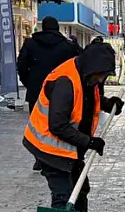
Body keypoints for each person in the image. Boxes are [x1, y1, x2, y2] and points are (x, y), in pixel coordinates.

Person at [23, 43, 124, 212]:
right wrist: (90, 142)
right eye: (100, 76)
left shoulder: (86, 77)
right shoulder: (65, 82)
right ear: (92, 69)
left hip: (71, 145)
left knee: (81, 188)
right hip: (49, 146)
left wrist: (109, 104)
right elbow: (58, 124)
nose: (101, 81)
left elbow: (88, 101)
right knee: (64, 194)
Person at [18, 17, 82, 171]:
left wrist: (28, 83)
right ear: (57, 27)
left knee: (37, 125)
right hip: (62, 92)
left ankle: (39, 158)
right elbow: (79, 65)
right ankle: (57, 156)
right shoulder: (67, 46)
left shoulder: (30, 44)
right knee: (60, 123)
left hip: (36, 90)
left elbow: (21, 66)